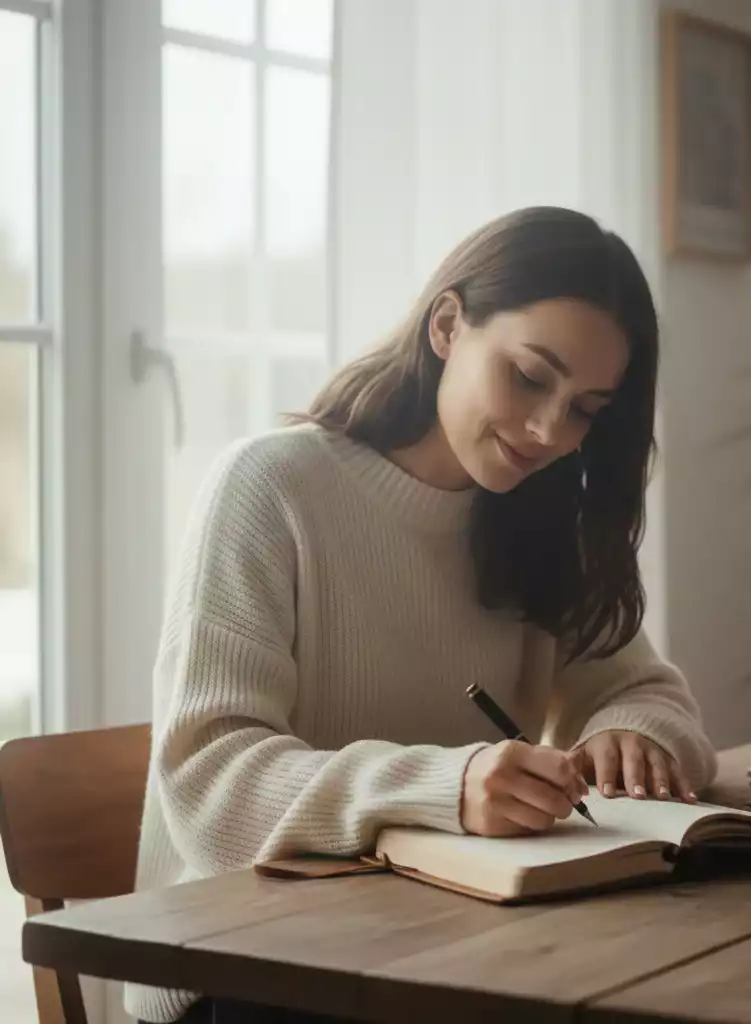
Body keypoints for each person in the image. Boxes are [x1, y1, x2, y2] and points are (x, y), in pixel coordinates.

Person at [128, 206, 718, 1024]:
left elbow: (653, 695)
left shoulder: (537, 517)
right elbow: (210, 786)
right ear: (447, 325)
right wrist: (450, 785)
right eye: (529, 376)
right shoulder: (270, 489)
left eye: (586, 409)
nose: (551, 431)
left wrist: (632, 735)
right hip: (250, 971)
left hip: (438, 949)